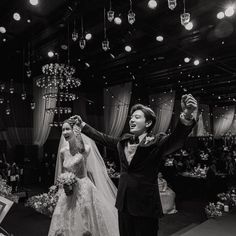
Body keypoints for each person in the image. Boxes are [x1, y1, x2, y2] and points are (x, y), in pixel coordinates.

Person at [72, 94, 197, 236]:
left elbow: (176, 140)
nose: (131, 120)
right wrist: (82, 125)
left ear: (148, 123)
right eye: (131, 117)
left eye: (137, 117)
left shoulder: (156, 142)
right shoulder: (123, 142)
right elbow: (103, 138)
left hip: (145, 207)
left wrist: (186, 115)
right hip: (123, 204)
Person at [48, 119, 119, 236]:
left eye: (67, 129)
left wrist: (78, 133)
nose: (64, 132)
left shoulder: (86, 147)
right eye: (63, 130)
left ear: (74, 130)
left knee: (85, 218)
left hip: (84, 188)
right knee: (65, 219)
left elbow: (82, 151)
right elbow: (62, 172)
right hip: (68, 190)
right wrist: (62, 185)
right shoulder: (62, 151)